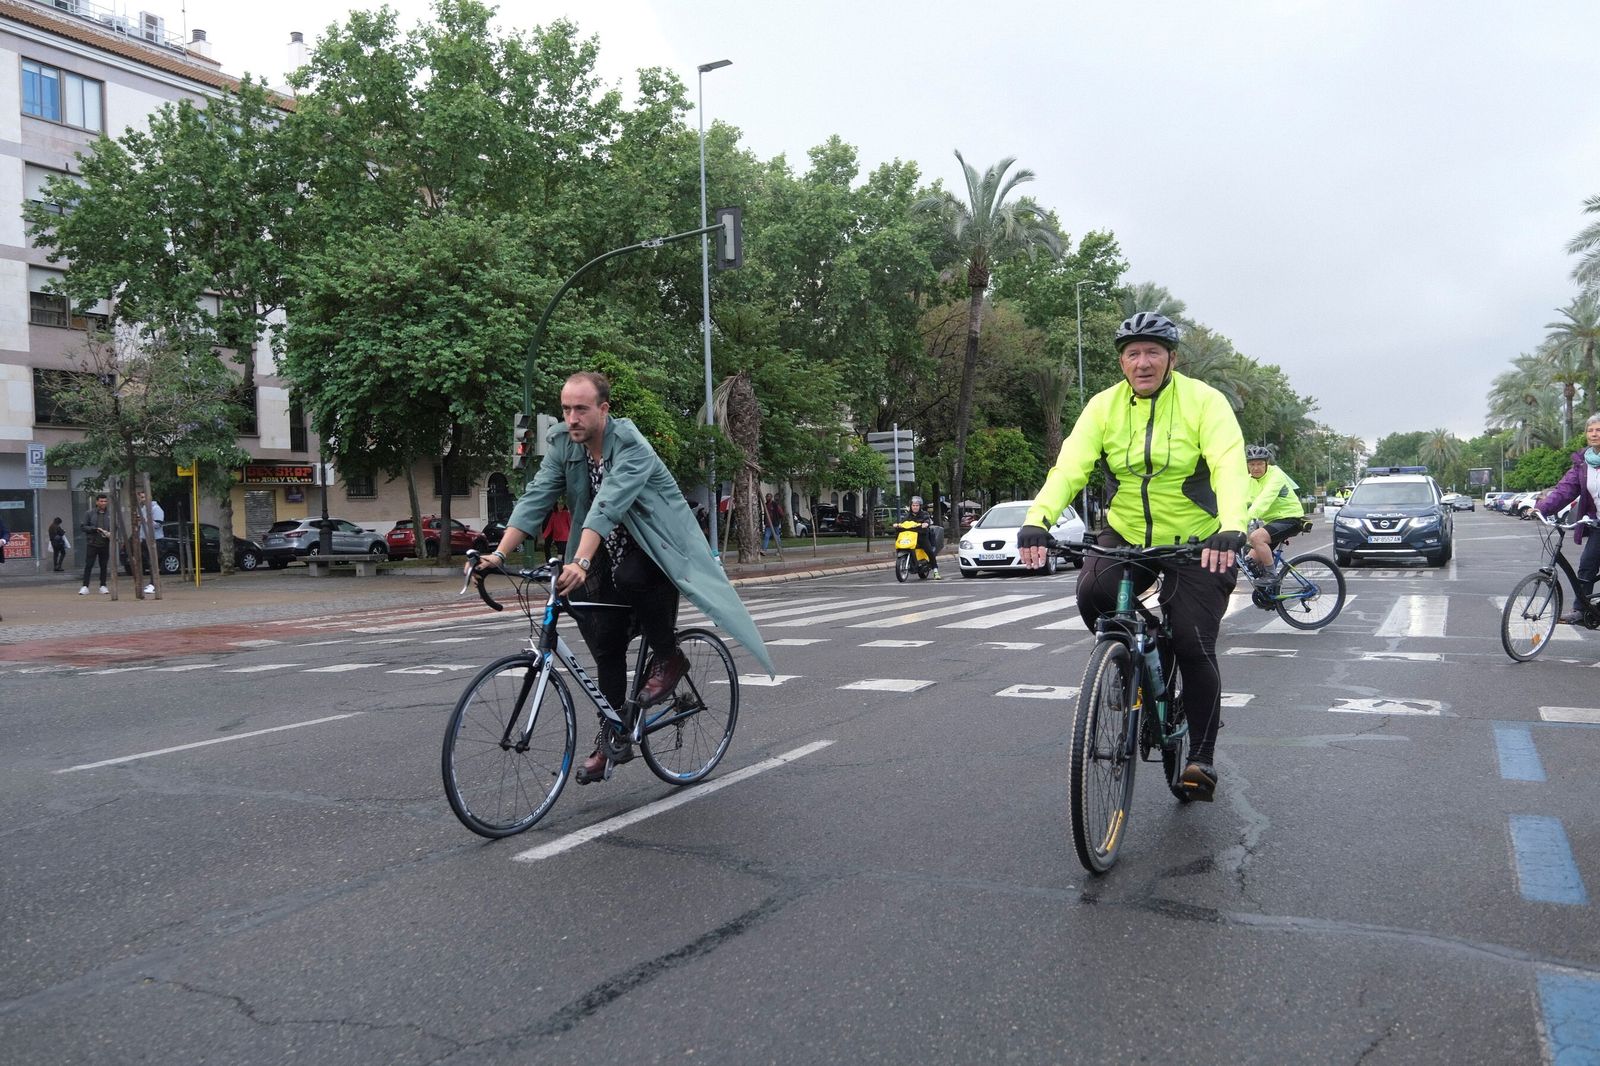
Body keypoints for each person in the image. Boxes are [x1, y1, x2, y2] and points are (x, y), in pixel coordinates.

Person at [471, 371, 775, 784]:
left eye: (581, 409)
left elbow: (608, 505)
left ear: (603, 409)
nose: (572, 418)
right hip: (599, 552)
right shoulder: (564, 445)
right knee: (607, 644)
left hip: (652, 547)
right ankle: (613, 736)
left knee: (633, 577)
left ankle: (669, 654)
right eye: (566, 409)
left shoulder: (630, 445)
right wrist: (499, 553)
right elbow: (537, 497)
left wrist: (579, 561)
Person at [1016, 311, 1249, 802]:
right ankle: (1144, 651)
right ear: (1122, 362)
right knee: (1092, 594)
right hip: (1126, 530)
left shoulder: (1204, 402)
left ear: (1171, 359)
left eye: (1153, 353)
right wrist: (1038, 519)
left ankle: (1200, 757)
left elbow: (1230, 466)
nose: (1143, 363)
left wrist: (1231, 527)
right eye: (1133, 354)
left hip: (1196, 539)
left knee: (1193, 641)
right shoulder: (1103, 407)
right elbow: (1070, 467)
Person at [1537, 413, 1600, 623]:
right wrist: (1541, 509)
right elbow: (1565, 490)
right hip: (1597, 524)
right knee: (1587, 564)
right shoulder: (1583, 463)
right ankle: (1581, 611)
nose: (1594, 434)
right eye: (1590, 430)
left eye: (1598, 430)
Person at [1242, 444, 1305, 584]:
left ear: (1267, 463)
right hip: (1272, 523)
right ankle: (1269, 594)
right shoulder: (1249, 480)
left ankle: (1272, 576)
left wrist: (1242, 522)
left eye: (1259, 464)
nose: (1256, 468)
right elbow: (1240, 502)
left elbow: (1264, 501)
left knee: (1256, 537)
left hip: (1290, 518)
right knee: (1248, 561)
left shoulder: (1276, 475)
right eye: (1252, 464)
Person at [80, 492, 115, 595]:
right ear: (97, 502)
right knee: (89, 565)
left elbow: (115, 527)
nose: (103, 503)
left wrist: (110, 533)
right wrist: (95, 529)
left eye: (105, 501)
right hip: (92, 543)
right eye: (101, 501)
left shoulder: (110, 514)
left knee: (103, 565)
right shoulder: (89, 513)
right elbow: (83, 527)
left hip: (105, 543)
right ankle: (85, 586)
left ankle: (103, 585)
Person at [133, 489, 164, 594]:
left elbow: (158, 524)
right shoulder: (143, 508)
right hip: (145, 538)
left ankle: (154, 584)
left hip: (155, 539)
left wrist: (144, 519)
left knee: (153, 562)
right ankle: (152, 583)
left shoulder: (156, 508)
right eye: (141, 497)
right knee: (149, 562)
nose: (142, 499)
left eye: (144, 497)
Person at [904, 495, 941, 578]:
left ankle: (936, 571)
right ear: (911, 506)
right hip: (910, 537)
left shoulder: (924, 514)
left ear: (920, 506)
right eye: (913, 505)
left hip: (922, 536)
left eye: (917, 506)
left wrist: (926, 523)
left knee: (929, 551)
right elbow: (902, 522)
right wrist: (897, 525)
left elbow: (927, 520)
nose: (915, 507)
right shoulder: (908, 515)